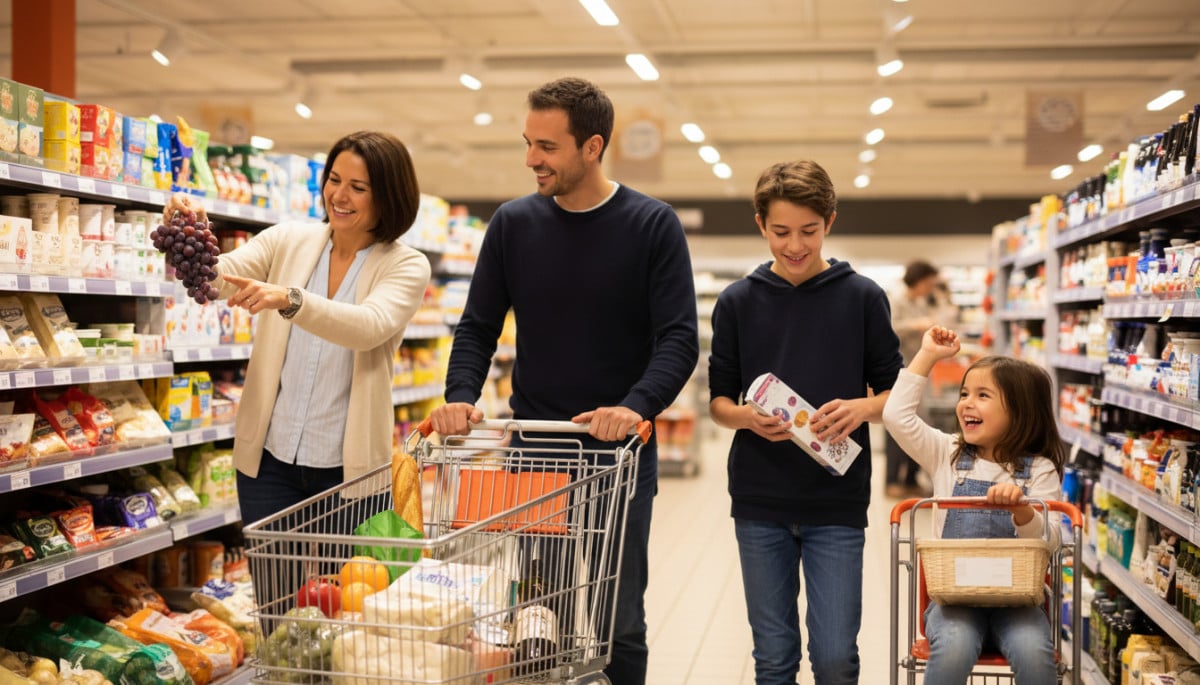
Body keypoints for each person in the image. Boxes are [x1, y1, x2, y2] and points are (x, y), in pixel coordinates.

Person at [428, 77, 699, 684]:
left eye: (547, 147)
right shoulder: (512, 224)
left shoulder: (652, 225)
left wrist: (635, 407)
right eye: (528, 143)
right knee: (536, 613)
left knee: (618, 618)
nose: (532, 160)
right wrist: (459, 398)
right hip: (536, 451)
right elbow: (477, 328)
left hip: (619, 454)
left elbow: (679, 338)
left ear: (592, 146)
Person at [163, 130, 432, 526]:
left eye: (358, 187)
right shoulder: (290, 239)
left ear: (388, 196)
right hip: (269, 464)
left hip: (348, 473)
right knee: (275, 587)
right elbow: (218, 280)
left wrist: (291, 300)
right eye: (335, 180)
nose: (339, 195)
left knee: (348, 587)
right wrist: (188, 227)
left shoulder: (405, 265)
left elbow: (368, 326)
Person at [707, 159, 904, 685]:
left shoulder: (862, 297)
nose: (795, 245)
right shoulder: (737, 302)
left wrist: (862, 407)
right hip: (760, 499)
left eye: (808, 231)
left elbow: (897, 393)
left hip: (835, 501)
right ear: (760, 225)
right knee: (773, 660)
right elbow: (718, 401)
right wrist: (746, 418)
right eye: (780, 232)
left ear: (830, 222)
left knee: (837, 658)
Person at [881, 325, 1065, 685]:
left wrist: (1024, 513)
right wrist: (928, 356)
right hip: (954, 601)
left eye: (983, 395)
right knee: (953, 647)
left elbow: (1055, 539)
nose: (967, 402)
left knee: (1034, 653)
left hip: (1020, 602)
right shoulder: (948, 454)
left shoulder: (1040, 470)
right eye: (965, 393)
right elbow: (896, 417)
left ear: (1022, 411)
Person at [885, 259, 941, 498]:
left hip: (917, 369)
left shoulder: (919, 302)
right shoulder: (895, 299)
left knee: (917, 424)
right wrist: (915, 325)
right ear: (918, 280)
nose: (930, 288)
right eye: (928, 283)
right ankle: (892, 481)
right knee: (896, 422)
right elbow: (888, 328)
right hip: (898, 370)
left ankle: (910, 479)